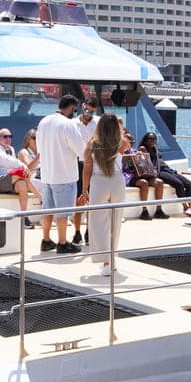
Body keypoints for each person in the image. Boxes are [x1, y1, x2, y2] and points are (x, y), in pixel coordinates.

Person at [36, 95, 90, 254]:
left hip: (47, 175)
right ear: (72, 107)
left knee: (47, 210)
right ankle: (62, 242)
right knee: (63, 211)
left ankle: (45, 240)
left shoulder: (44, 121)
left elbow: (39, 147)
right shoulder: (67, 124)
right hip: (64, 174)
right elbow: (81, 150)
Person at [83, 114, 125, 277]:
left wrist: (84, 190)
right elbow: (127, 141)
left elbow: (87, 169)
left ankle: (105, 261)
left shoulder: (92, 144)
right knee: (116, 222)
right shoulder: (121, 142)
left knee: (98, 223)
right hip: (117, 182)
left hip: (99, 182)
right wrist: (119, 127)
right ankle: (111, 260)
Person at [0, 128, 36, 227]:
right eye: (5, 136)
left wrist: (21, 168)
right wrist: (23, 165)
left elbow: (12, 165)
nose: (8, 139)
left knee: (22, 184)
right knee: (20, 174)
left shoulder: (11, 149)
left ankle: (23, 217)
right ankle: (39, 196)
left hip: (8, 180)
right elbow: (6, 160)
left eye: (10, 136)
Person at [68, 96, 100, 245]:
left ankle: (89, 231)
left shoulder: (98, 123)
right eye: (87, 110)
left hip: (94, 164)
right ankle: (76, 232)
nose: (89, 114)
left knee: (92, 200)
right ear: (82, 107)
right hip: (78, 163)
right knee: (78, 199)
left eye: (92, 111)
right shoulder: (72, 123)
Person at [140, 132, 191, 216]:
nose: (152, 141)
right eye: (149, 139)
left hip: (167, 169)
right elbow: (142, 161)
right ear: (145, 141)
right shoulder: (143, 148)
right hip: (159, 172)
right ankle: (185, 207)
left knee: (189, 183)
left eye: (154, 139)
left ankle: (190, 207)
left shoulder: (155, 149)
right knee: (178, 184)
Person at [122, 130, 167, 219]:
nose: (131, 143)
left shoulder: (136, 151)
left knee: (159, 182)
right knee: (144, 183)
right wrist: (133, 158)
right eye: (129, 141)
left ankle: (159, 210)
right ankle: (144, 210)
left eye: (132, 141)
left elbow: (145, 164)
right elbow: (124, 163)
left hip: (143, 174)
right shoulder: (121, 153)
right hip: (130, 176)